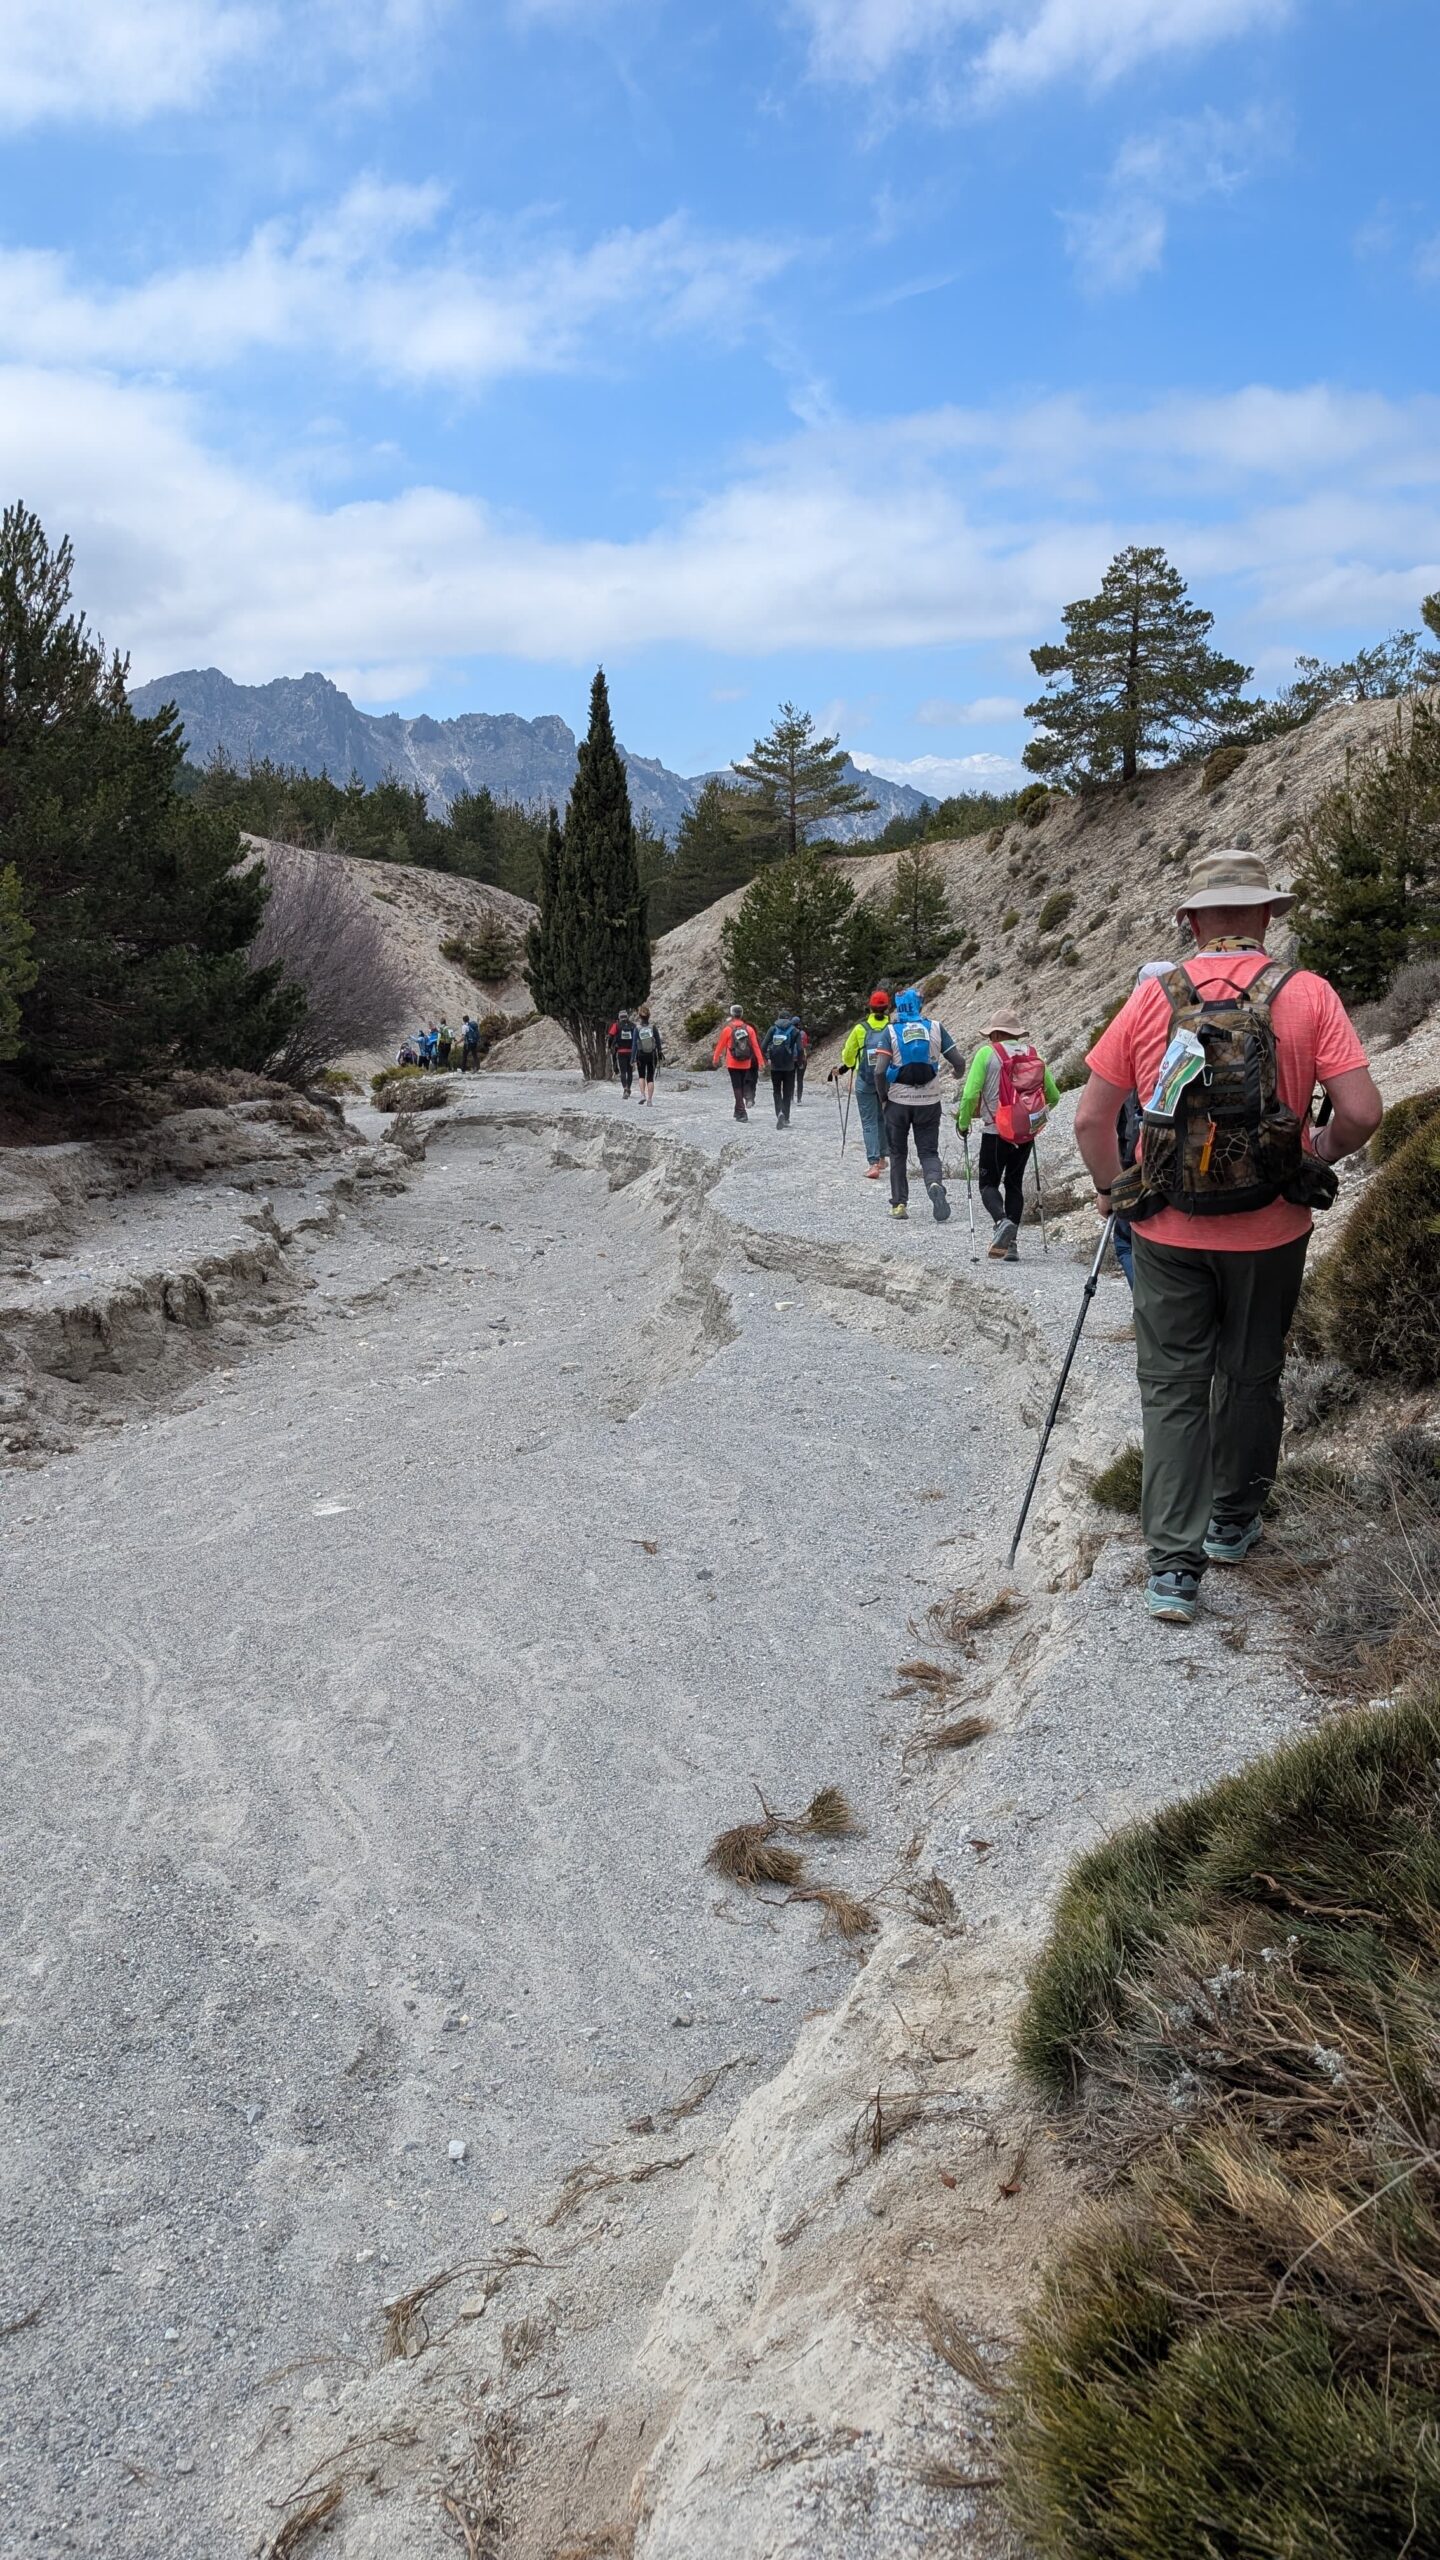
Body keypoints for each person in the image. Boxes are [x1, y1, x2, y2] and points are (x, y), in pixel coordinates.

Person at [1074, 850, 1381, 1627]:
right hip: (1272, 1227)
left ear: (1191, 921)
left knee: (1173, 1387)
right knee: (1250, 1377)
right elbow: (1363, 1112)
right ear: (1268, 916)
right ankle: (1232, 1523)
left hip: (1167, 1227)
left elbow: (1089, 1119)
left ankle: (1174, 1569)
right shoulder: (1307, 993)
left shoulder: (1152, 998)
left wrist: (1115, 1192)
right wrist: (1317, 1152)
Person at [954, 1008, 1059, 1261]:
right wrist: (1033, 1120)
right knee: (1014, 1184)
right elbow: (1054, 1096)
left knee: (987, 1184)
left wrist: (963, 1123)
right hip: (1024, 1134)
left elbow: (969, 1094)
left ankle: (1002, 1222)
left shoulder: (986, 1053)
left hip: (995, 1130)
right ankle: (1011, 1245)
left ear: (996, 1034)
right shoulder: (1032, 1053)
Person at [877, 986, 963, 1220]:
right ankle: (934, 1183)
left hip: (898, 1102)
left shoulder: (890, 1031)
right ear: (919, 1005)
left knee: (897, 1153)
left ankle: (899, 1205)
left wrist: (883, 1097)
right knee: (928, 1151)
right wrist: (957, 1074)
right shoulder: (935, 1027)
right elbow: (958, 1061)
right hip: (929, 1101)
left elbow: (879, 1071)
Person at [835, 992, 893, 1178]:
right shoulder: (893, 1027)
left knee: (869, 1121)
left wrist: (850, 1064)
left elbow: (847, 1056)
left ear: (870, 1007)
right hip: (887, 1080)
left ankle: (873, 1164)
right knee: (883, 1117)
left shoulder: (860, 1029)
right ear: (888, 1008)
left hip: (865, 1080)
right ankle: (883, 1157)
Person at [712, 1006, 764, 1120]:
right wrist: (761, 1062)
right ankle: (737, 1111)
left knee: (737, 1087)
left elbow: (720, 1045)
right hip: (746, 1062)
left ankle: (742, 1112)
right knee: (741, 1085)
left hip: (732, 1062)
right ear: (741, 1014)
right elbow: (755, 1046)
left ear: (732, 1014)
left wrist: (715, 1059)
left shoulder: (728, 1029)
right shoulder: (749, 1029)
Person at [764, 1010, 805, 1126]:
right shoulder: (794, 1031)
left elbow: (763, 1046)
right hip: (789, 1066)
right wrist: (799, 1063)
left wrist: (768, 1058)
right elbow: (800, 1049)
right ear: (789, 1019)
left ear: (778, 1018)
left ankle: (779, 1113)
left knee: (776, 1091)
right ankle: (786, 1117)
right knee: (787, 1092)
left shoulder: (772, 1029)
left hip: (775, 1066)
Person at [633, 1005, 663, 1104]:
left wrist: (632, 1058)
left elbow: (634, 1044)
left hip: (640, 1054)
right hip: (652, 1054)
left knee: (641, 1076)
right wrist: (659, 1052)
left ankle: (642, 1095)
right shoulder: (653, 1027)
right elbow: (658, 1041)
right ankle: (649, 1100)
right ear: (649, 1016)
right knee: (650, 1078)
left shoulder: (637, 1028)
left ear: (639, 1016)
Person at [609, 1010, 638, 1097]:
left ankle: (625, 1088)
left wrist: (610, 1046)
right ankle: (628, 1088)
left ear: (619, 1017)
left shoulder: (616, 1025)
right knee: (630, 1072)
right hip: (631, 1052)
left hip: (621, 1051)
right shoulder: (633, 1025)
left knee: (623, 1072)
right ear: (627, 1017)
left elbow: (610, 1036)